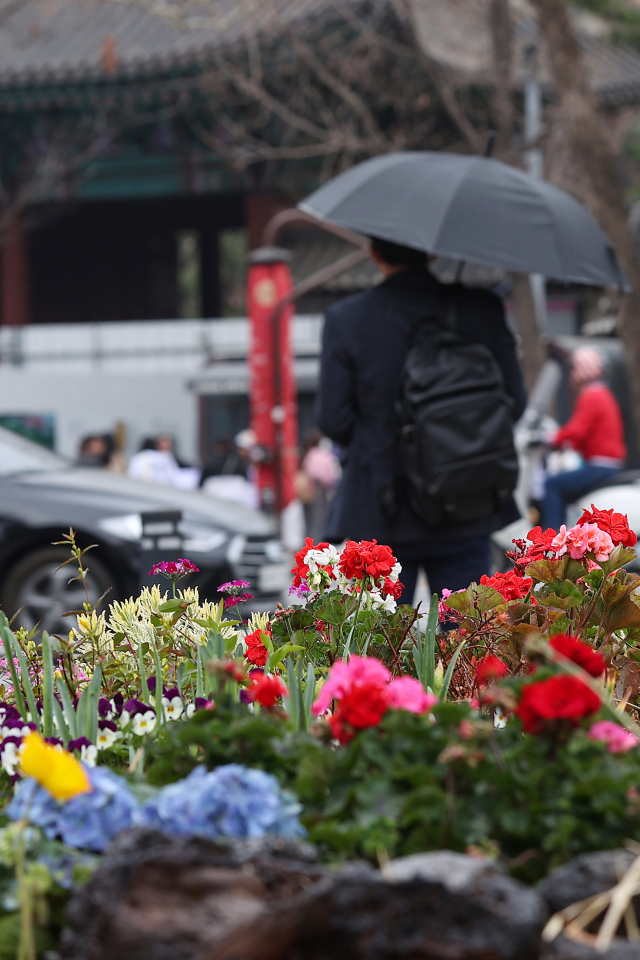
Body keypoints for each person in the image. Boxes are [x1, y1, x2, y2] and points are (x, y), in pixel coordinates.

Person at [316, 237, 527, 604]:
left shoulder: (348, 319)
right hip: (466, 498)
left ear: (374, 252)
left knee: (384, 643)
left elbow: (333, 420)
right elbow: (514, 403)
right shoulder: (481, 309)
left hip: (382, 504)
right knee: (467, 634)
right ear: (432, 252)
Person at [542, 346, 625, 530]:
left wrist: (550, 438)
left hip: (600, 465)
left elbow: (577, 430)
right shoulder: (603, 393)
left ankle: (555, 540)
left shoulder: (591, 395)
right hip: (608, 464)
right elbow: (584, 435)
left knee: (552, 484)